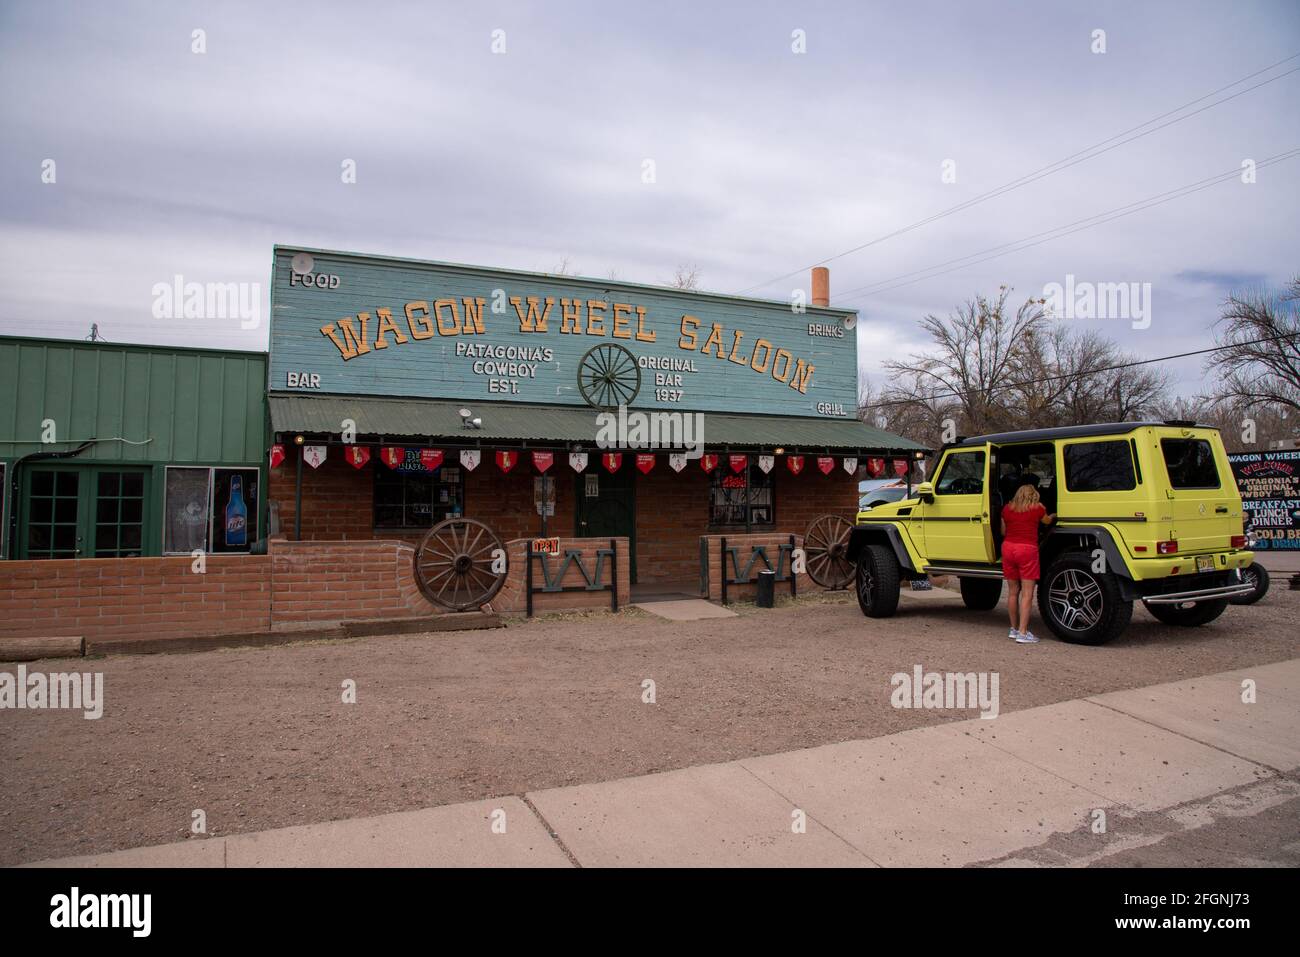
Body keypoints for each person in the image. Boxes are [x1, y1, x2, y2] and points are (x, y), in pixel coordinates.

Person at [1000, 484, 1055, 643]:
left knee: (1012, 592)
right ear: (1033, 495)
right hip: (1027, 550)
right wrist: (1051, 514)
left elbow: (1003, 531)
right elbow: (1047, 521)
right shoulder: (1037, 508)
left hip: (1008, 549)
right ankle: (1023, 633)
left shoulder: (1007, 509)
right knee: (1027, 593)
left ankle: (1013, 629)